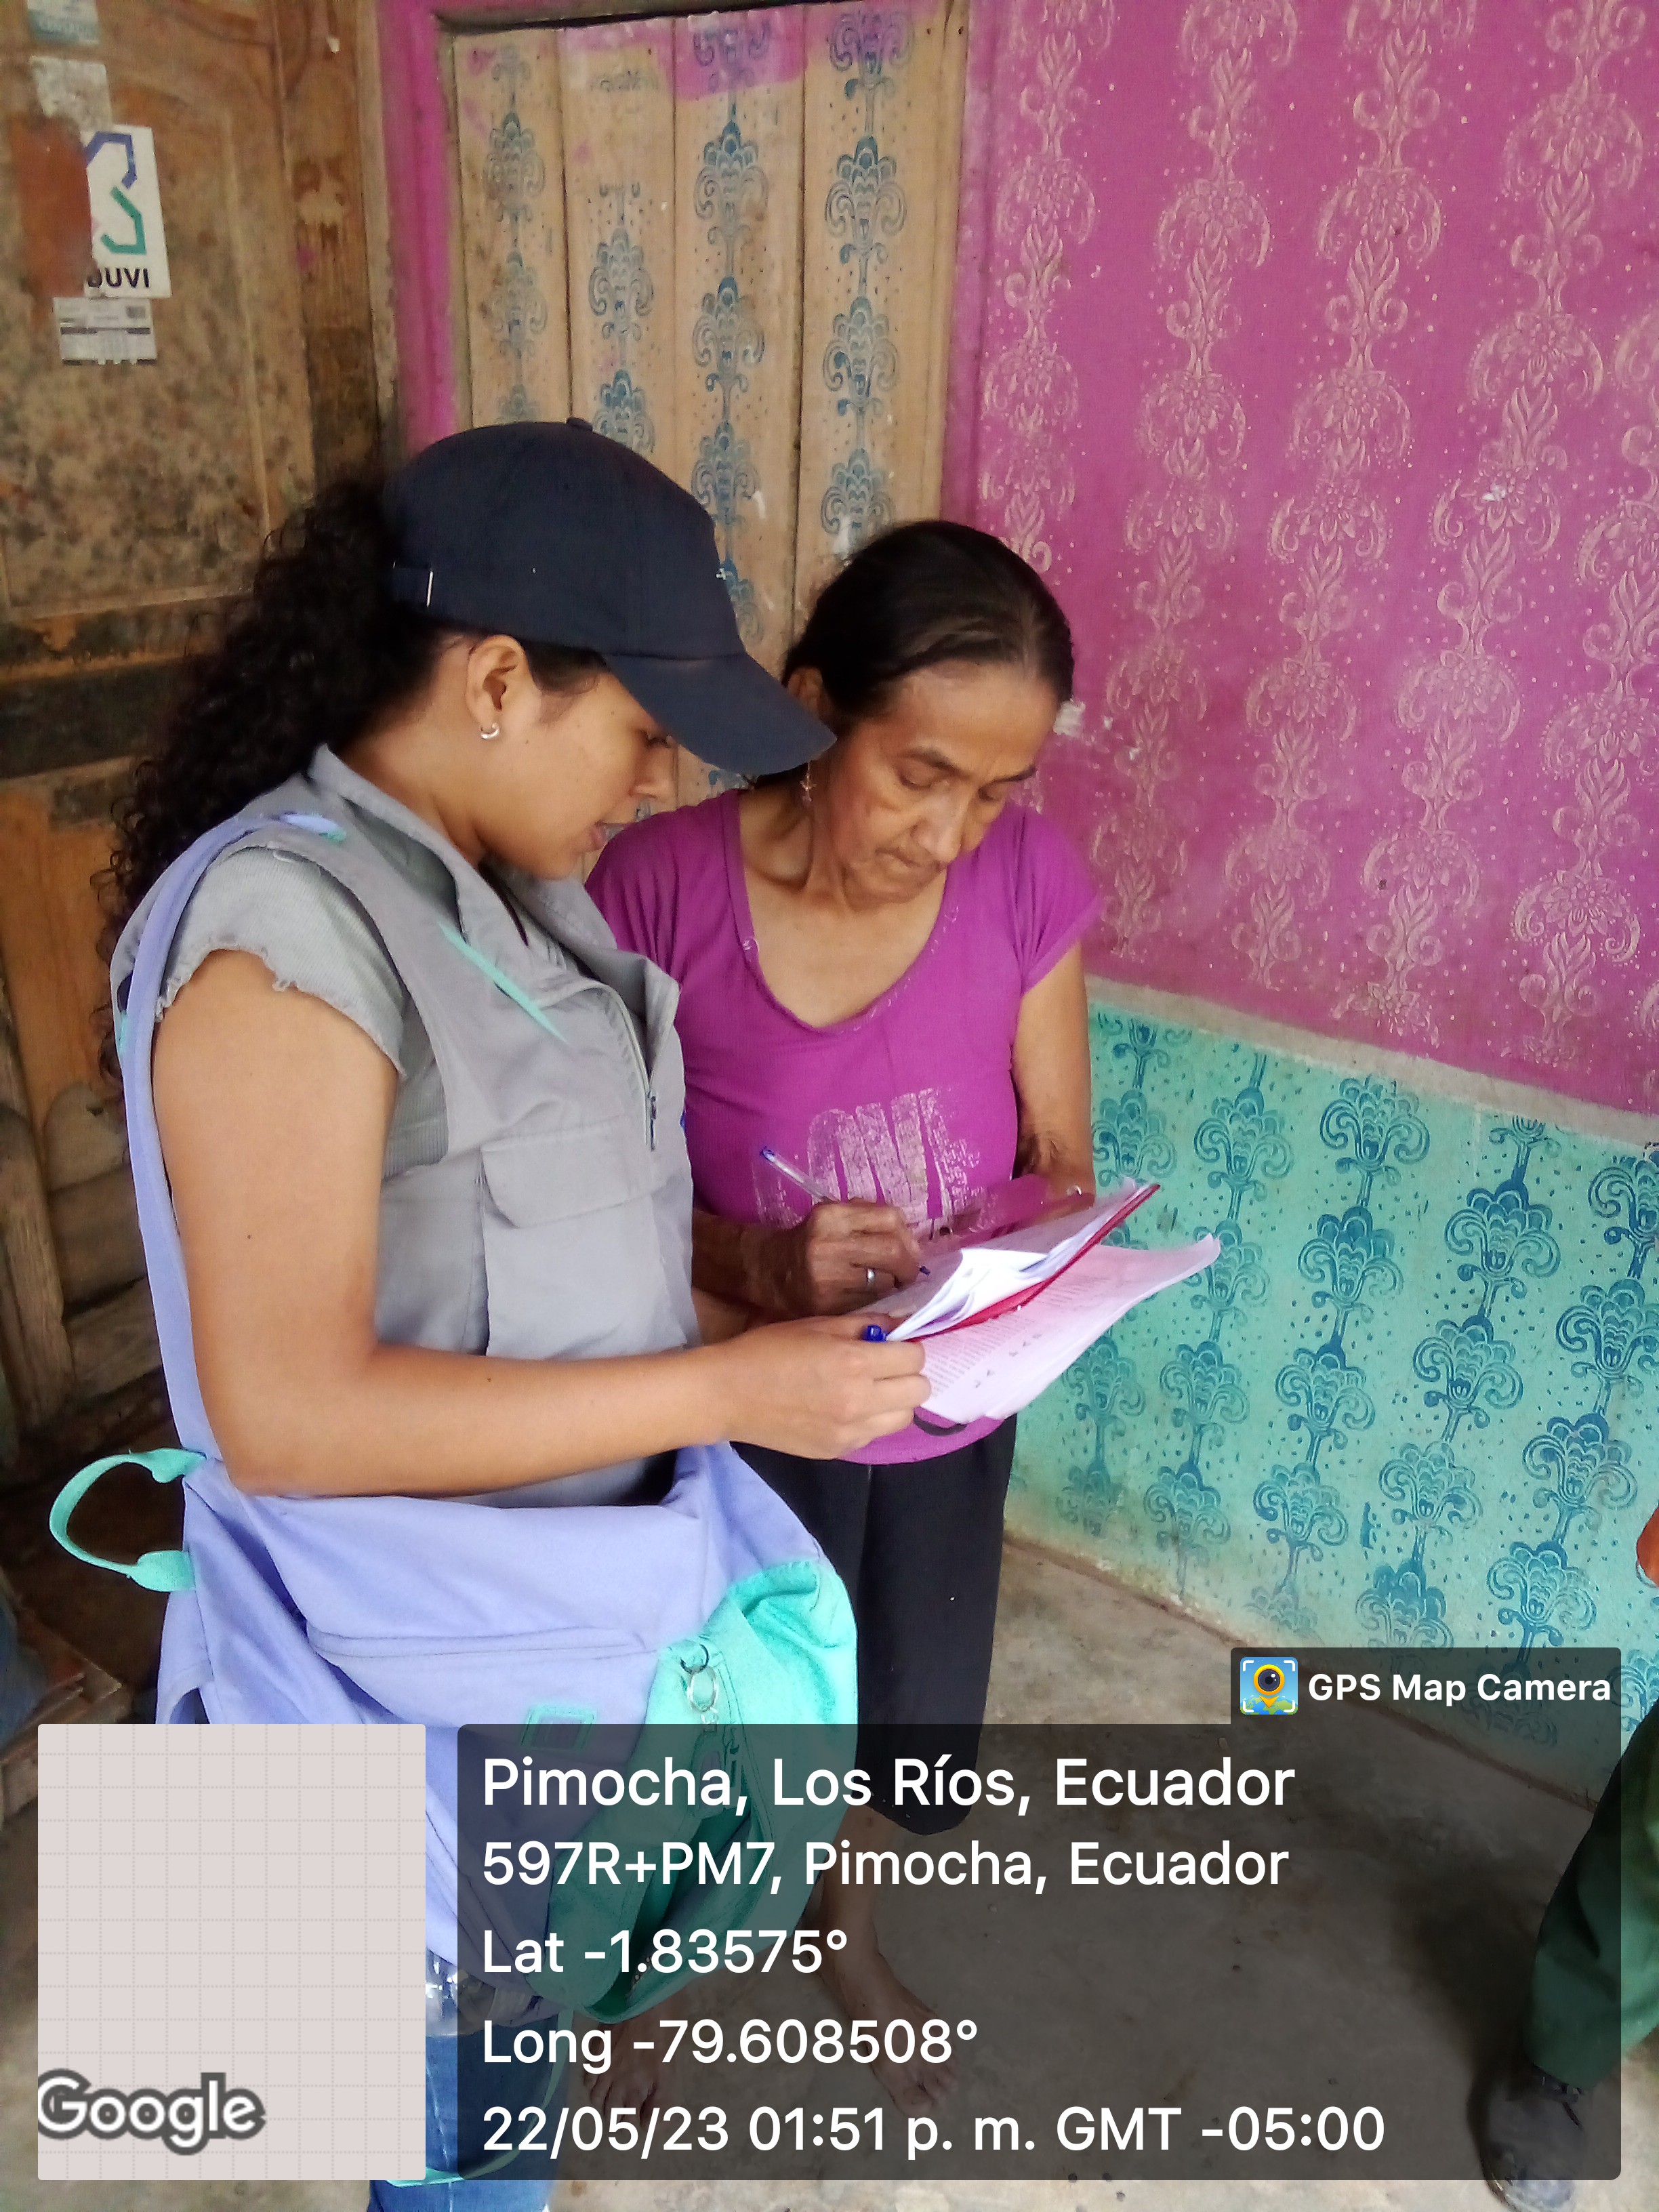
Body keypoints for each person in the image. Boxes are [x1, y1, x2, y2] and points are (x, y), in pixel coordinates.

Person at [100, 422, 928, 2211]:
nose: (658, 779)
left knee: (503, 2098)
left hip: (539, 1662)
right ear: (495, 682)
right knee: (454, 2143)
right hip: (374, 1680)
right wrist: (732, 1388)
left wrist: (763, 1286)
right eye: (640, 729)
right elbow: (286, 1416)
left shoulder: (514, 902)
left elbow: (549, 1254)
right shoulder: (283, 934)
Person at [589, 518, 1098, 2113]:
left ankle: (843, 1928)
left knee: (895, 1721)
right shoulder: (655, 887)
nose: (953, 835)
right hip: (727, 1404)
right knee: (699, 1719)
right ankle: (642, 1976)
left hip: (941, 1416)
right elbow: (576, 1206)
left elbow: (1061, 1163)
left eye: (996, 792)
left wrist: (1024, 1265)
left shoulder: (1027, 884)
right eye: (919, 775)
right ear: (816, 710)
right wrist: (758, 1267)